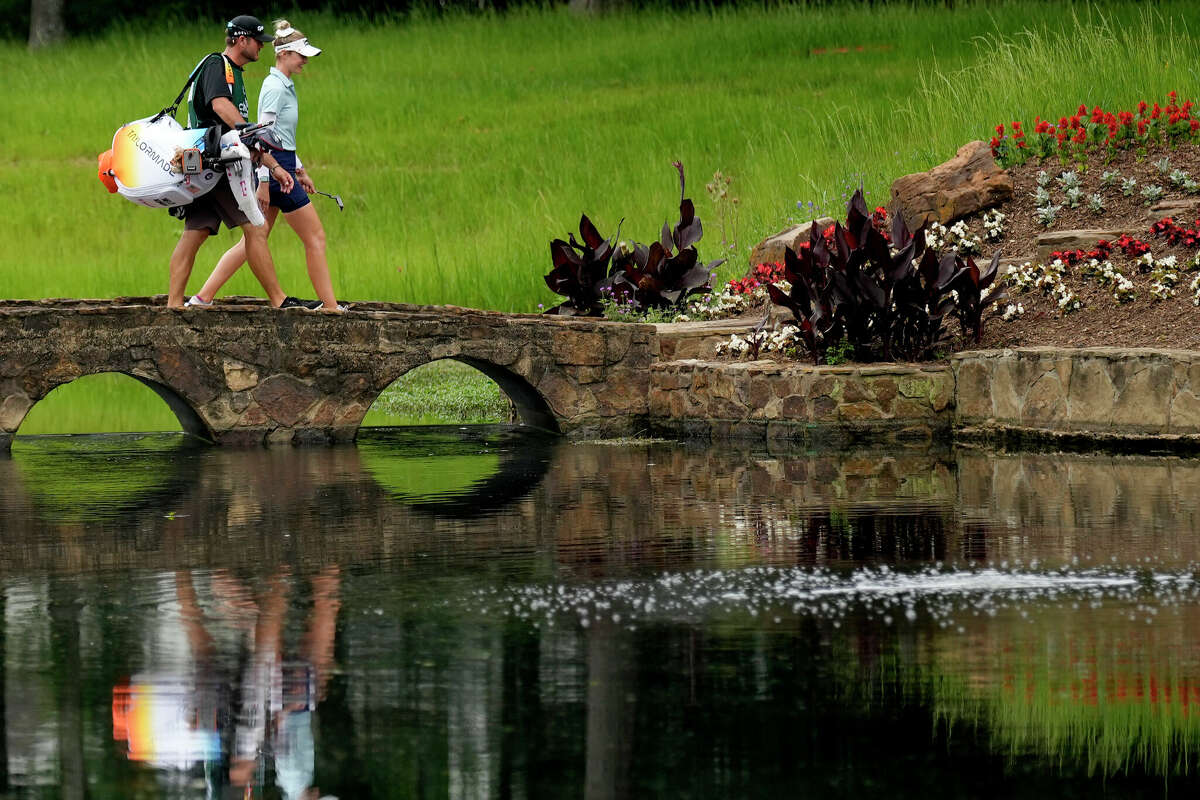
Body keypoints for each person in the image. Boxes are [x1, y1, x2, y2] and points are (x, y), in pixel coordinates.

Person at [188, 19, 342, 313]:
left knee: (256, 238)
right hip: (273, 169)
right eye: (301, 55)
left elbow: (283, 137)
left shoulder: (284, 85)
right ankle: (331, 307)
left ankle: (203, 297)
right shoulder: (274, 87)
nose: (305, 61)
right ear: (284, 54)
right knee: (315, 236)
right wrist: (264, 178)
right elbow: (261, 135)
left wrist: (299, 168)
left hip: (281, 166)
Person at [167, 15, 309, 310]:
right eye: (258, 41)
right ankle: (280, 301)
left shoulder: (236, 73)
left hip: (206, 166)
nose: (261, 47)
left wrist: (275, 166)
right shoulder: (217, 66)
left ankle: (175, 305)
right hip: (219, 166)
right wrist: (248, 130)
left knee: (195, 232)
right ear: (242, 40)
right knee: (256, 230)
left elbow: (244, 136)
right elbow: (222, 108)